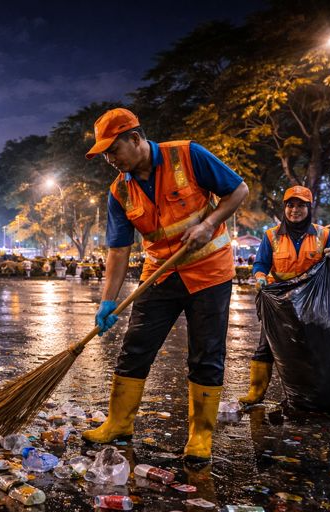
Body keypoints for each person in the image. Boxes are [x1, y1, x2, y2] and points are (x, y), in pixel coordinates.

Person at [83, 108, 248, 463]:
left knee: (206, 354)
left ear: (135, 138)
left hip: (209, 273)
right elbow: (118, 251)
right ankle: (118, 423)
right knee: (135, 347)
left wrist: (210, 223)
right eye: (105, 154)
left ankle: (200, 436)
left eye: (114, 150)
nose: (110, 159)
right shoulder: (119, 192)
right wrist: (107, 301)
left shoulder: (187, 155)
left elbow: (239, 190)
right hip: (161, 274)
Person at [240, 185, 330, 405]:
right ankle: (256, 392)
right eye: (290, 205)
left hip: (312, 302)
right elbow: (261, 263)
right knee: (266, 345)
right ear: (285, 208)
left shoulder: (324, 235)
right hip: (280, 302)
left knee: (312, 348)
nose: (295, 210)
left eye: (301, 205)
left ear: (309, 208)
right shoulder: (271, 235)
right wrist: (260, 276)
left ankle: (312, 395)